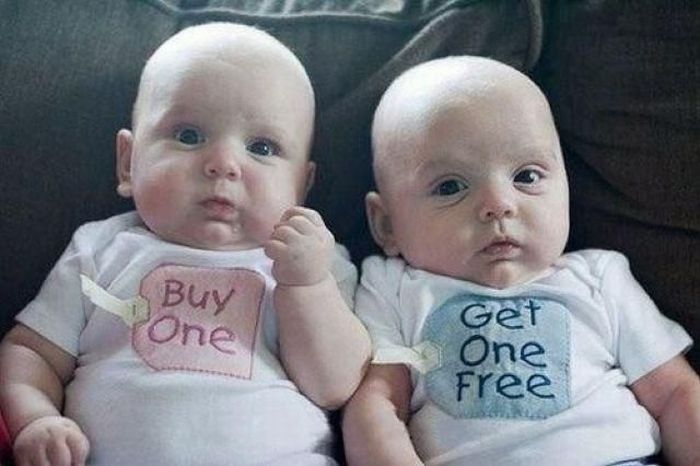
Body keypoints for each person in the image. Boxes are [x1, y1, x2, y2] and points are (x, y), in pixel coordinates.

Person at [0, 22, 370, 466]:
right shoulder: (102, 249)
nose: (224, 163)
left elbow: (335, 386)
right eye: (189, 135)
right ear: (128, 163)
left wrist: (307, 285)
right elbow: (32, 352)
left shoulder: (315, 261)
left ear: (301, 187)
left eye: (262, 147)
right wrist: (36, 418)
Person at [342, 56, 700, 466]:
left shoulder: (599, 278)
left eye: (526, 176)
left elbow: (674, 392)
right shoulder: (394, 289)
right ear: (386, 224)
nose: (498, 204)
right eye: (451, 186)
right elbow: (379, 404)